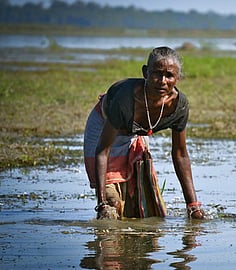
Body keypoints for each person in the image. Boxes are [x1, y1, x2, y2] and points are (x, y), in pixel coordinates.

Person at [83, 46, 204, 219]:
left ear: (178, 78)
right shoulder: (126, 99)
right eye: (156, 73)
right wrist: (100, 204)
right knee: (112, 204)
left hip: (135, 134)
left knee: (142, 206)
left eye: (169, 75)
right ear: (145, 73)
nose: (162, 81)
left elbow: (180, 154)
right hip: (104, 128)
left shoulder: (179, 106)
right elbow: (102, 151)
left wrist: (193, 206)